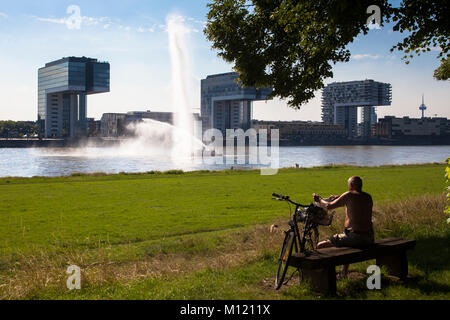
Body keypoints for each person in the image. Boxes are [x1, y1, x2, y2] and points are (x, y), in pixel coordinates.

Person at [313, 176, 374, 277]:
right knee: (346, 238)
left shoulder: (349, 195)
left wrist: (319, 199)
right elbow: (354, 202)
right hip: (369, 238)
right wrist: (340, 198)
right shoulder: (368, 196)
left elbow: (328, 206)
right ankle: (344, 272)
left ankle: (325, 275)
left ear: (351, 185)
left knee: (320, 246)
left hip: (355, 238)